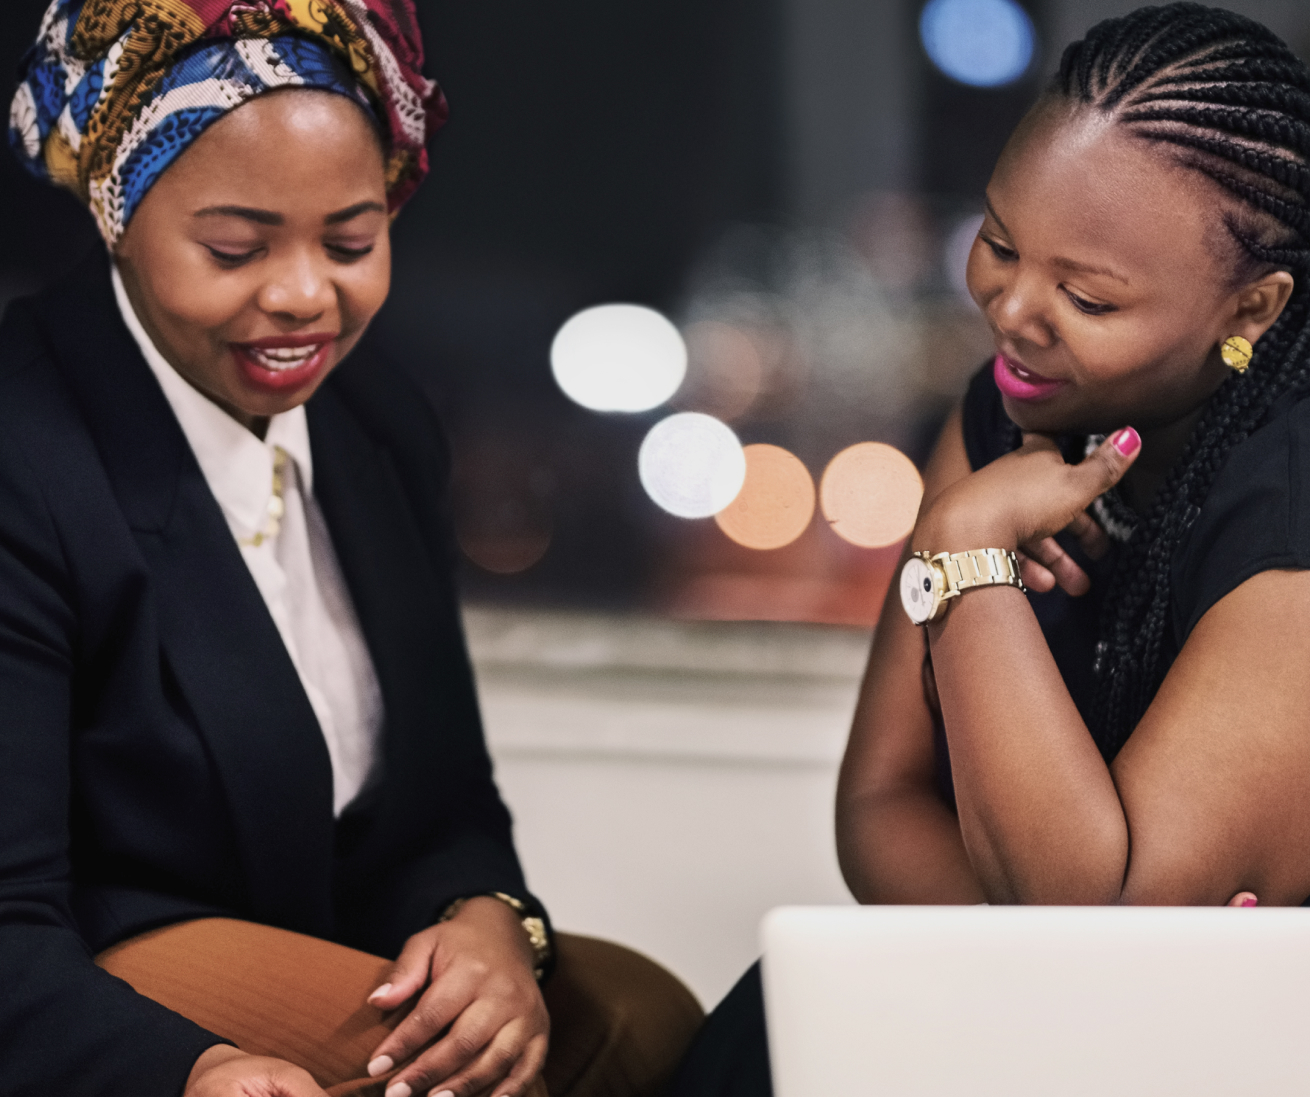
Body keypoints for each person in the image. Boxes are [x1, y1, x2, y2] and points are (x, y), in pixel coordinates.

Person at [0, 2, 702, 1095]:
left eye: (350, 241)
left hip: (320, 947)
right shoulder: (25, 453)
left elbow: (447, 799)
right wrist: (190, 1067)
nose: (300, 296)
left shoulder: (376, 421)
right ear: (116, 214)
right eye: (234, 247)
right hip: (95, 986)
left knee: (645, 1016)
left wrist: (491, 922)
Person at [665, 4, 1310, 1093]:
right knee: (775, 1027)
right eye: (1000, 241)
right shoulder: (1001, 415)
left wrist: (963, 549)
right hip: (1064, 1028)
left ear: (1249, 304)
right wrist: (1046, 937)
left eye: (1086, 295)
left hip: (1234, 1062)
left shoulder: (1288, 501)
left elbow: (1088, 923)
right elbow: (876, 807)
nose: (1011, 310)